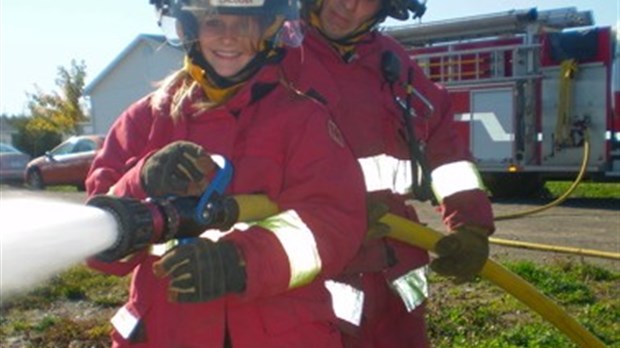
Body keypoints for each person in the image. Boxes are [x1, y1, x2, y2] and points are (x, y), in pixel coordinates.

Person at [84, 0, 367, 346]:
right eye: (214, 23)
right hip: (166, 333)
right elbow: (96, 247)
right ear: (189, 30)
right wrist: (141, 178)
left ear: (268, 30)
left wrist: (240, 263)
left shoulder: (303, 121)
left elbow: (334, 223)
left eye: (245, 24)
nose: (230, 38)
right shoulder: (143, 122)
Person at [281, 0, 496, 346]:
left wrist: (471, 223)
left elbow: (447, 152)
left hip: (399, 272)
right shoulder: (275, 56)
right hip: (322, 270)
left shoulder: (394, 63)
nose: (347, 5)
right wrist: (336, 217)